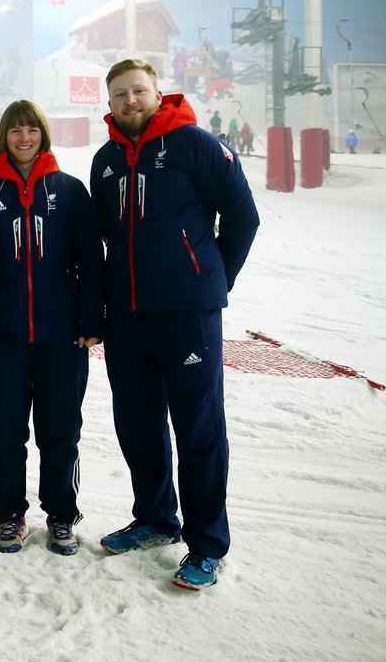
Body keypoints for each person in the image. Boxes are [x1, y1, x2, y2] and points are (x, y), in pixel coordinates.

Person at [90, 59, 259, 590]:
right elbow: (102, 240)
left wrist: (211, 281)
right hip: (127, 318)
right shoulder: (105, 160)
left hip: (188, 316)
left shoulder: (195, 144)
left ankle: (207, 542)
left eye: (139, 90)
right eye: (121, 94)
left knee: (199, 429)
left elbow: (243, 215)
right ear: (110, 102)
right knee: (138, 425)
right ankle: (156, 519)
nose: (130, 101)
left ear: (157, 93)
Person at [0, 100, 103, 557]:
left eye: (32, 130)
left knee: (60, 431)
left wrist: (90, 318)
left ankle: (61, 515)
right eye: (14, 131)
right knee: (5, 432)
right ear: (2, 137)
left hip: (61, 335)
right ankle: (9, 514)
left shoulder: (69, 191)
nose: (24, 139)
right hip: (1, 335)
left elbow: (91, 260)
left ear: (43, 135)